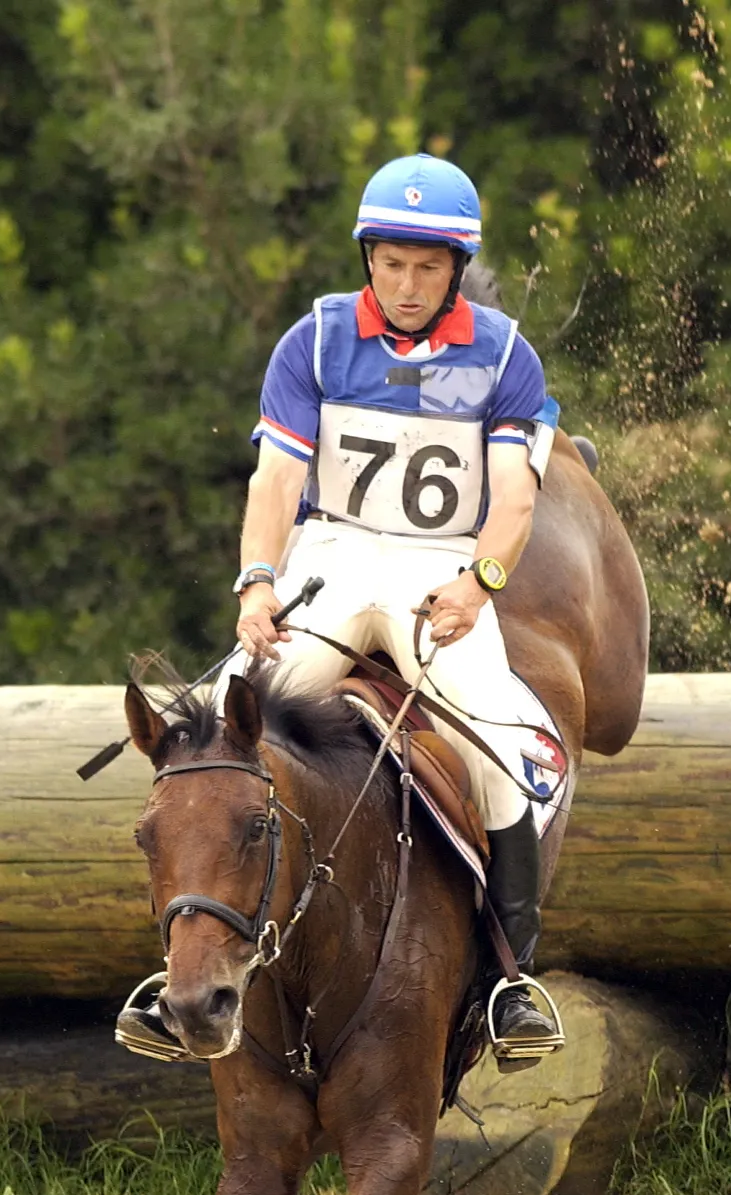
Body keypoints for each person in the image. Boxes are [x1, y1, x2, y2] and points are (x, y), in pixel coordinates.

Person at [130, 152, 564, 1066]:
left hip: (437, 576)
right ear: (370, 257)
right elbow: (279, 476)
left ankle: (512, 979)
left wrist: (479, 582)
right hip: (328, 565)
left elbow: (516, 498)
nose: (407, 286)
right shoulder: (316, 342)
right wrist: (257, 581)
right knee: (219, 740)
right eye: (392, 264)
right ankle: (175, 974)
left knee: (496, 749)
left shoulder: (505, 356)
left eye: (428, 268)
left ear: (456, 271)